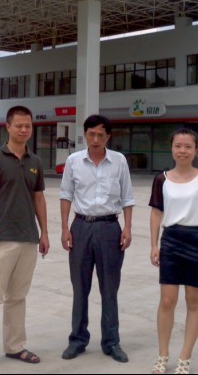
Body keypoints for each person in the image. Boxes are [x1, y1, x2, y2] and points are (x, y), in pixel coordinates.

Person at [0, 105, 50, 374]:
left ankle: (15, 346)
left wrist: (44, 233)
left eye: (28, 126)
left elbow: (39, 199)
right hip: (2, 238)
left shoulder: (35, 162)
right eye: (18, 125)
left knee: (18, 296)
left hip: (28, 238)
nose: (23, 130)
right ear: (7, 127)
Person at [59, 114, 135, 363]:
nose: (95, 140)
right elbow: (66, 195)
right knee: (80, 287)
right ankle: (78, 340)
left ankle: (111, 342)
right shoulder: (73, 161)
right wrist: (64, 228)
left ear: (108, 137)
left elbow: (127, 197)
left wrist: (127, 227)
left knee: (109, 288)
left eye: (100, 135)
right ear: (84, 135)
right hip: (81, 227)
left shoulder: (119, 161)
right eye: (91, 134)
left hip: (110, 228)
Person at [149, 128, 198, 375]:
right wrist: (154, 244)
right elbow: (156, 213)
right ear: (171, 148)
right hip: (171, 240)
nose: (183, 151)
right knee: (167, 300)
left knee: (193, 301)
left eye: (188, 146)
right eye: (178, 146)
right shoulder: (161, 179)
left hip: (197, 241)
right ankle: (162, 355)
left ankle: (184, 358)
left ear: (196, 150)